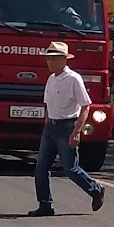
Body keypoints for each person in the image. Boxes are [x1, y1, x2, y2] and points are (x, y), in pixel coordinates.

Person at [30, 40, 105, 217]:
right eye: (49, 59)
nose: (50, 62)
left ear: (64, 59)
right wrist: (47, 124)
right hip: (51, 128)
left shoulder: (73, 79)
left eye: (55, 59)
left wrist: (76, 131)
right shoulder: (51, 79)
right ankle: (45, 205)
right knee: (41, 168)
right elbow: (48, 104)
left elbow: (86, 106)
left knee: (70, 169)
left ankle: (96, 189)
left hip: (67, 126)